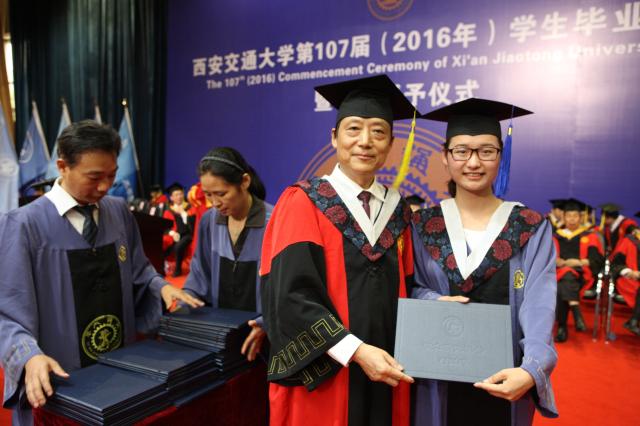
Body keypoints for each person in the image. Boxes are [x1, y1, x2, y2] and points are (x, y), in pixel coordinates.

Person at [0, 120, 202, 426]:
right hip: (62, 378)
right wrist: (29, 355)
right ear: (62, 166)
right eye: (94, 177)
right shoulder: (23, 225)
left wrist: (160, 287)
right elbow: (7, 310)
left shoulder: (118, 211)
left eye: (112, 175)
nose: (106, 186)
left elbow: (139, 271)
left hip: (121, 369)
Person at [260, 75, 416, 425]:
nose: (365, 141)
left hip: (388, 369)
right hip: (329, 371)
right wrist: (355, 350)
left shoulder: (399, 211)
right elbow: (289, 297)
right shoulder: (304, 201)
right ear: (334, 137)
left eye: (378, 132)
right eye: (353, 129)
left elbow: (410, 287)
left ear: (391, 144)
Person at [411, 98, 558, 425]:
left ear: (501, 156)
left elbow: (539, 303)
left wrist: (531, 369)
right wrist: (433, 300)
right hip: (436, 377)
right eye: (461, 151)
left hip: (507, 377)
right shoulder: (421, 226)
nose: (474, 162)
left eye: (487, 151)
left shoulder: (529, 226)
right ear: (445, 157)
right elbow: (412, 287)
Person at [182, 147, 271, 361]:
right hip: (220, 334)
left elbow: (287, 288)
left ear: (245, 182)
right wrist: (187, 299)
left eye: (221, 194)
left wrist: (267, 322)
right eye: (208, 194)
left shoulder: (274, 222)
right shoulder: (209, 221)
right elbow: (200, 272)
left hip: (262, 336)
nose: (215, 203)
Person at [552, 199, 604, 342]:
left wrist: (579, 262)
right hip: (559, 273)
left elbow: (597, 260)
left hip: (582, 275)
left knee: (565, 278)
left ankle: (562, 327)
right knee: (566, 277)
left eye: (575, 216)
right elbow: (547, 257)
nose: (572, 219)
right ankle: (575, 311)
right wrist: (556, 261)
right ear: (563, 217)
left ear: (581, 218)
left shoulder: (589, 236)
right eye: (569, 216)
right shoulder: (556, 236)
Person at [610, 216, 640, 336]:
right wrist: (629, 272)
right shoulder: (631, 240)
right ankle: (634, 321)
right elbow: (615, 264)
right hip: (631, 280)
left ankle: (633, 320)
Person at [163, 182, 196, 277]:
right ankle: (162, 267)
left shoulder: (190, 208)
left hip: (188, 234)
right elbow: (165, 227)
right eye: (176, 195)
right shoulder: (169, 210)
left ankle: (178, 269)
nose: (179, 197)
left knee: (178, 246)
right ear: (171, 198)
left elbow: (193, 225)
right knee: (164, 244)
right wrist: (172, 233)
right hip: (175, 235)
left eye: (181, 194)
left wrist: (183, 213)